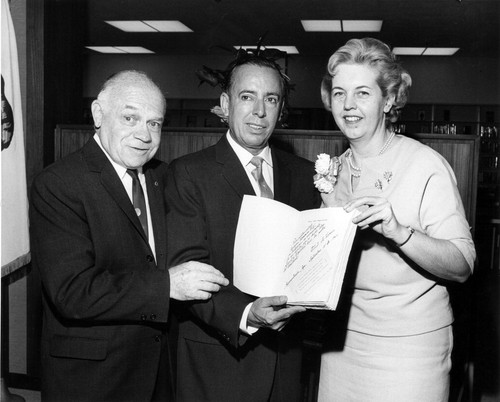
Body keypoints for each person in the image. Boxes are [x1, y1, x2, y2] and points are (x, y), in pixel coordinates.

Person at [30, 70, 229, 402]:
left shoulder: (164, 178)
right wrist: (169, 285)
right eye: (130, 117)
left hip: (158, 373)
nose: (144, 134)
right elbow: (72, 292)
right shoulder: (59, 184)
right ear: (98, 114)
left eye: (154, 123)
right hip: (91, 380)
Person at [316, 38, 476, 401]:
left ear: (388, 100)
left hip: (410, 349)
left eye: (362, 93)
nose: (348, 106)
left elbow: (463, 264)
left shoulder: (424, 164)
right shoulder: (332, 170)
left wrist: (399, 232)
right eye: (339, 94)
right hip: (342, 343)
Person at [165, 53, 320, 401]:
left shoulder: (304, 175)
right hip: (219, 362)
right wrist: (248, 314)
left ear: (281, 110)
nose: (259, 111)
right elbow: (188, 271)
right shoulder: (188, 174)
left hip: (286, 363)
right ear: (225, 104)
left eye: (271, 99)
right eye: (247, 97)